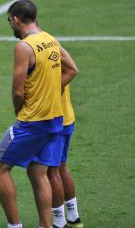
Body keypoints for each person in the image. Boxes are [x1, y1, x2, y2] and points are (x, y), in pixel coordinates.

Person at [0, 0, 78, 228]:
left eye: (10, 21)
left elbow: (18, 90)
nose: (11, 26)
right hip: (55, 121)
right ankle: (46, 226)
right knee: (38, 171)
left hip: (33, 122)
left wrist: (20, 112)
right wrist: (49, 93)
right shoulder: (49, 39)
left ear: (16, 19)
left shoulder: (24, 47)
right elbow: (71, 69)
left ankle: (14, 226)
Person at [48, 84, 84, 228]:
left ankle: (59, 222)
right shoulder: (62, 60)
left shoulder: (45, 60)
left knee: (52, 171)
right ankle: (73, 217)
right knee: (61, 168)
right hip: (66, 117)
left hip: (53, 120)